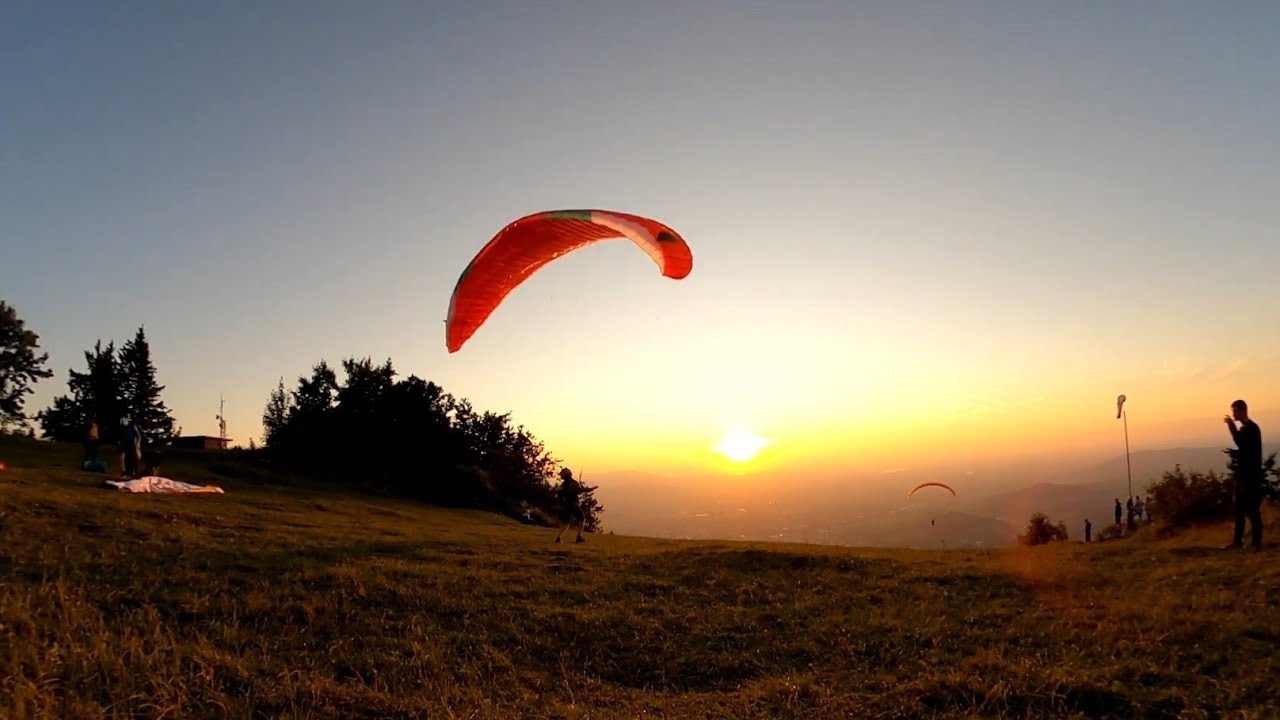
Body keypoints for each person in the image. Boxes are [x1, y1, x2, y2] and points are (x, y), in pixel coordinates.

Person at [1223, 399, 1264, 551]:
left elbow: (1241, 443)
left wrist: (1231, 426)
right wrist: (1233, 453)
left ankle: (1256, 543)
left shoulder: (1251, 429)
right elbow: (1246, 451)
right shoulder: (1248, 429)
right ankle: (1237, 542)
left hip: (1250, 478)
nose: (1233, 414)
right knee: (1239, 509)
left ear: (1241, 411)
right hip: (1243, 476)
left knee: (1251, 510)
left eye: (1234, 411)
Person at [554, 467, 586, 544]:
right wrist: (589, 489)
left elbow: (558, 494)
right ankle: (579, 537)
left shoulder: (562, 485)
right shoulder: (574, 483)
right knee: (581, 519)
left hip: (565, 505)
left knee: (566, 523)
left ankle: (558, 537)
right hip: (573, 504)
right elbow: (579, 491)